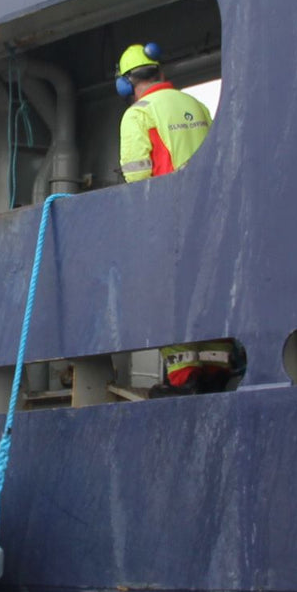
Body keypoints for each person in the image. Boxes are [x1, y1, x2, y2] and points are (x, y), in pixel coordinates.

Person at [116, 43, 234, 394]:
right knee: (208, 293)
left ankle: (185, 377)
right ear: (160, 71)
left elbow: (137, 178)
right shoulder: (196, 105)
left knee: (167, 300)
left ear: (125, 83)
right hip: (211, 219)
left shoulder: (137, 114)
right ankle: (216, 368)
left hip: (169, 222)